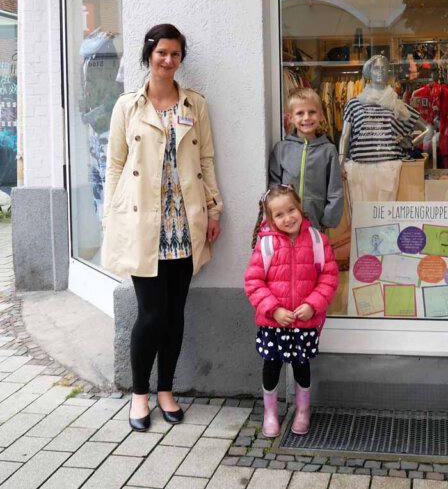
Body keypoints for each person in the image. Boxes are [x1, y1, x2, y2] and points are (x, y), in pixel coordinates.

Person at [102, 23, 224, 432]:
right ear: (149, 56)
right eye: (161, 54)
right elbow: (115, 165)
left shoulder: (195, 105)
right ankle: (139, 394)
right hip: (142, 222)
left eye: (175, 54)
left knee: (175, 313)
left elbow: (206, 160)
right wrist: (112, 217)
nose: (168, 61)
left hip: (184, 222)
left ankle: (167, 390)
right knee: (151, 313)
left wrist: (214, 209)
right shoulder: (128, 106)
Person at [244, 184, 339, 437]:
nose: (287, 218)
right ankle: (271, 413)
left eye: (291, 210)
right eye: (279, 214)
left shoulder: (318, 241)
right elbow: (253, 282)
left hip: (304, 322)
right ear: (270, 218)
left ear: (300, 208)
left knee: (301, 365)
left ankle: (303, 410)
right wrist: (273, 310)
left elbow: (329, 277)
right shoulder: (266, 246)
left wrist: (313, 305)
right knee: (271, 365)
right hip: (274, 323)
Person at [339, 54, 433, 203]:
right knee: (362, 219)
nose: (380, 72)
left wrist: (411, 143)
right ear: (369, 71)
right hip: (359, 170)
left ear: (388, 72)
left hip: (389, 169)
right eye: (376, 68)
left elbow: (429, 129)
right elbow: (345, 136)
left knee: (388, 220)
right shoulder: (354, 104)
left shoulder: (397, 105)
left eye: (384, 68)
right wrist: (341, 160)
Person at [268, 87, 343, 230]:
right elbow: (274, 186)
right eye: (300, 113)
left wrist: (327, 219)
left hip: (316, 222)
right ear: (290, 118)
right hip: (286, 222)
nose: (307, 118)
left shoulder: (328, 150)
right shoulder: (282, 149)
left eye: (312, 112)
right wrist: (275, 214)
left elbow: (335, 190)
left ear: (321, 115)